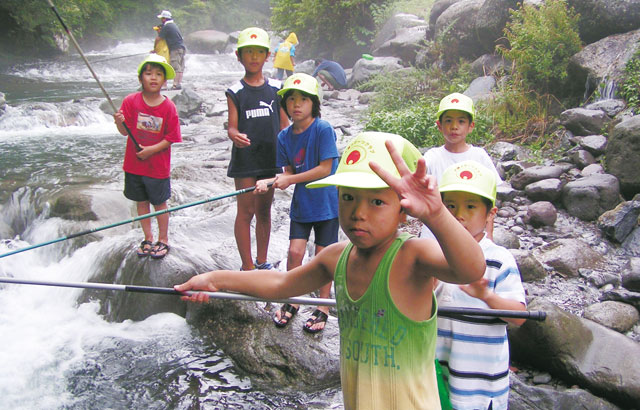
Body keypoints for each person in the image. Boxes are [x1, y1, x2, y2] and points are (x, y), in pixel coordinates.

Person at [175, 131, 486, 409]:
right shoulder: (337, 257)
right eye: (348, 197)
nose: (358, 213)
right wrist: (215, 279)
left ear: (403, 210)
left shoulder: (412, 256)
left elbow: (470, 269)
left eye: (377, 202)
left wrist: (436, 214)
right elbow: (281, 283)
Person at [435, 160, 527, 410]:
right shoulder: (432, 254)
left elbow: (519, 318)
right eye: (450, 205)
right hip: (437, 374)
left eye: (471, 206)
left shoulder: (499, 259)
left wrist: (487, 296)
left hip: (481, 385)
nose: (459, 214)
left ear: (490, 214)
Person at [255, 73, 339, 333]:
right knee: (294, 253)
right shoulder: (284, 137)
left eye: (303, 99)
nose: (296, 104)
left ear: (314, 103)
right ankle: (293, 300)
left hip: (327, 202)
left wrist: (289, 180)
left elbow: (326, 169)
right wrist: (270, 181)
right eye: (291, 99)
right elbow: (289, 172)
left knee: (323, 256)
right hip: (303, 204)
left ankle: (323, 305)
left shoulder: (323, 129)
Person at [226, 27, 289, 271]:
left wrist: (288, 160)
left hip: (270, 159)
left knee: (264, 210)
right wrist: (235, 135)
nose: (253, 57)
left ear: (268, 55)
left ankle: (262, 261)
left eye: (258, 52)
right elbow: (232, 127)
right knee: (246, 211)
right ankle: (247, 265)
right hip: (245, 160)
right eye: (248, 52)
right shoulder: (236, 91)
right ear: (238, 56)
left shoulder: (276, 88)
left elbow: (285, 126)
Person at [113, 54, 182, 259]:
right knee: (141, 202)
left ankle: (163, 239)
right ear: (141, 77)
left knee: (159, 203)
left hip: (157, 167)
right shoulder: (130, 101)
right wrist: (119, 121)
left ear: (164, 80)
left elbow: (172, 137)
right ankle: (148, 237)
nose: (153, 78)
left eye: (158, 74)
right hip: (134, 166)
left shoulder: (168, 107)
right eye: (148, 73)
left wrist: (151, 150)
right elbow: (124, 132)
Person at [420, 92, 502, 240]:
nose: (454, 127)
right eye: (449, 121)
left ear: (471, 126)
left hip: (471, 229)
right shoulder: (432, 157)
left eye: (461, 121)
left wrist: (488, 235)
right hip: (435, 231)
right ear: (440, 125)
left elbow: (490, 199)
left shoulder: (479, 156)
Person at [155, 10, 186, 90]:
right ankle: (178, 84)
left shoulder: (167, 27)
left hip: (175, 48)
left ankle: (175, 85)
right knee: (180, 67)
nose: (161, 20)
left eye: (162, 18)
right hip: (181, 48)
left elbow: (159, 38)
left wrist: (155, 49)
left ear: (164, 19)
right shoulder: (173, 25)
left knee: (176, 67)